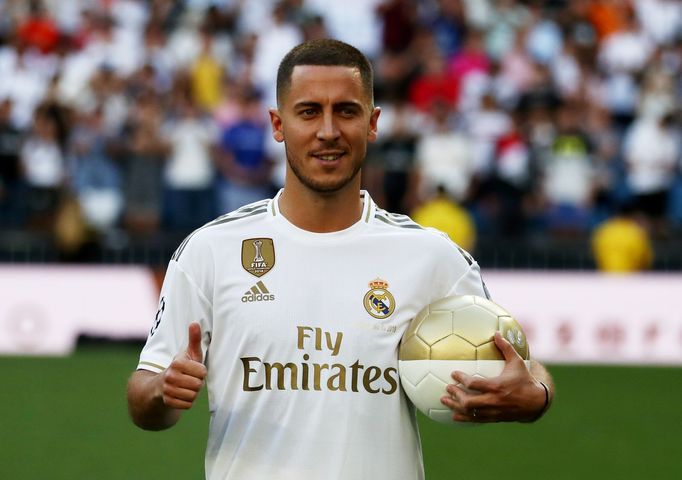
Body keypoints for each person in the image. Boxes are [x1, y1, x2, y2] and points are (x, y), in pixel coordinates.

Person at [127, 39, 554, 480]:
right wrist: (162, 391)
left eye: (346, 111)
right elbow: (143, 394)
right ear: (278, 124)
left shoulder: (430, 255)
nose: (328, 130)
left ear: (372, 124)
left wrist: (537, 393)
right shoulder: (211, 250)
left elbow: (521, 363)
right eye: (309, 111)